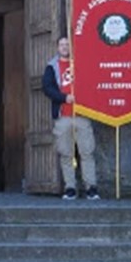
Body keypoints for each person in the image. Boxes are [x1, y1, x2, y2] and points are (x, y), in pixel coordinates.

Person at [42, 35, 99, 200]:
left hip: (82, 114)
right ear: (58, 47)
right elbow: (47, 88)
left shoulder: (82, 63)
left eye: (67, 44)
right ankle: (70, 187)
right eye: (62, 45)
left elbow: (92, 83)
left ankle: (91, 187)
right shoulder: (52, 67)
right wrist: (63, 97)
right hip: (63, 115)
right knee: (66, 153)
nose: (65, 47)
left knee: (87, 152)